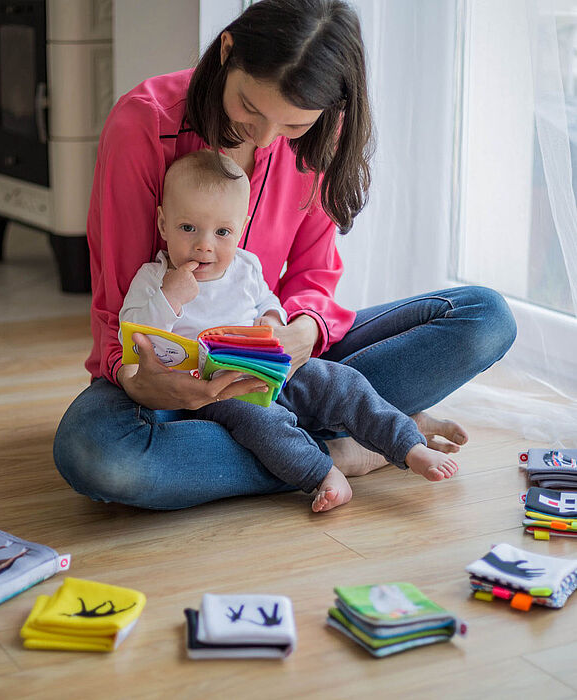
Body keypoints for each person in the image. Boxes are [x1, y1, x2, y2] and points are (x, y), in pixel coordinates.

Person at [53, 0, 516, 510]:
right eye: (250, 108)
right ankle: (349, 445)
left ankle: (320, 435)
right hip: (173, 381)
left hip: (282, 367)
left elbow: (314, 273)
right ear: (227, 51)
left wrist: (300, 332)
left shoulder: (321, 132)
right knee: (97, 455)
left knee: (485, 316)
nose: (267, 137)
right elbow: (118, 304)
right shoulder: (143, 124)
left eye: (292, 126)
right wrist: (143, 384)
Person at [120, 150, 459, 513]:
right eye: (188, 228)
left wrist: (272, 321)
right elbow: (137, 337)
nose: (205, 245)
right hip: (218, 392)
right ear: (162, 224)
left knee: (341, 381)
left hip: (270, 368)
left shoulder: (245, 267)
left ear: (241, 226)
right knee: (264, 423)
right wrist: (169, 297)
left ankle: (409, 445)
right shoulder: (153, 278)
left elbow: (270, 300)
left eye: (222, 232)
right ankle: (322, 472)